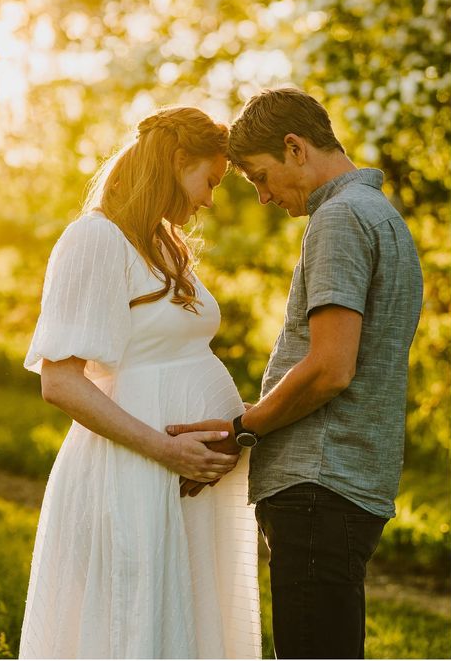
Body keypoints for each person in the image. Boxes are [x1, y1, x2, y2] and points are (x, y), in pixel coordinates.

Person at [167, 88, 423, 659]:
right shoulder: (382, 216)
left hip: (318, 484)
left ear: (294, 147)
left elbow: (331, 367)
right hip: (348, 481)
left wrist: (242, 429)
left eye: (260, 176)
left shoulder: (339, 217)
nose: (261, 197)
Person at [19, 106, 261, 660]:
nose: (209, 199)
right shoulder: (96, 240)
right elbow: (60, 382)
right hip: (136, 467)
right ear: (177, 162)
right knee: (135, 619)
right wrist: (166, 450)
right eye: (209, 180)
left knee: (191, 615)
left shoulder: (165, 246)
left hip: (183, 471)